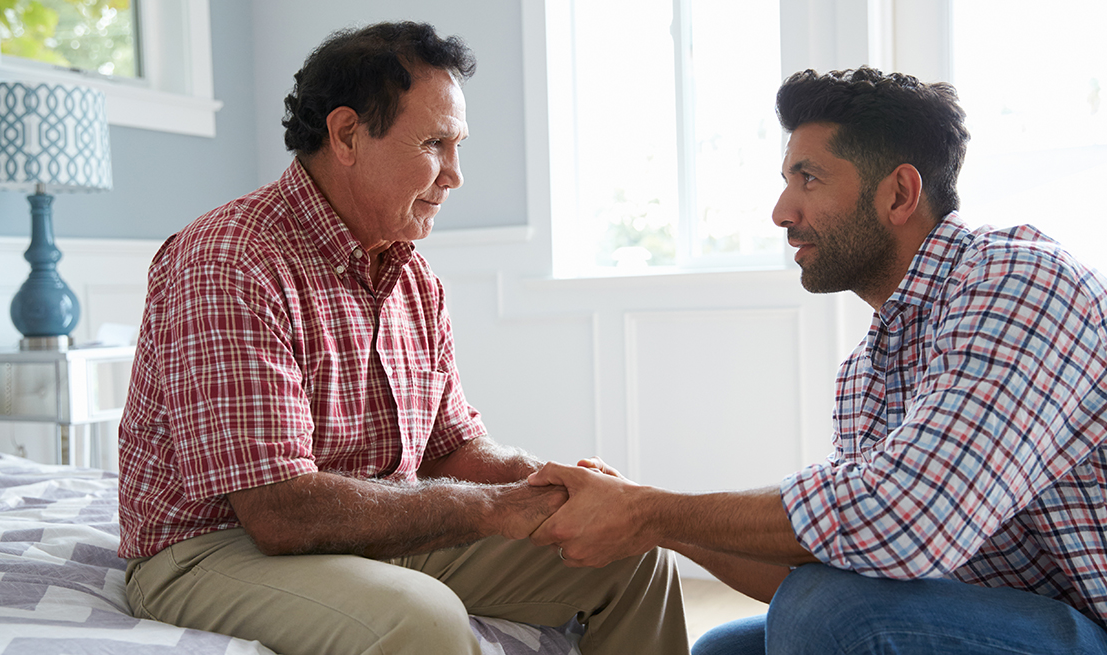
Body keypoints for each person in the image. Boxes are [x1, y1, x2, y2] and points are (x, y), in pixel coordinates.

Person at [117, 21, 688, 655]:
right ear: (346, 135)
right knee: (422, 619)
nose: (455, 175)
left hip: (373, 529)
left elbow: (451, 447)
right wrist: (493, 508)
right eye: (434, 144)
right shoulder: (230, 262)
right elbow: (279, 512)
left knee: (634, 555)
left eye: (458, 146)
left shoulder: (413, 277)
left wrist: (552, 484)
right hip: (213, 549)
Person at [529, 66, 1107, 654]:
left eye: (808, 178)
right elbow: (831, 559)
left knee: (827, 610)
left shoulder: (1022, 284)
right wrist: (649, 519)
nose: (781, 212)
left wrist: (650, 512)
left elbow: (903, 516)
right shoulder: (868, 371)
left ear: (899, 194)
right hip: (1002, 617)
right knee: (728, 648)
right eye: (787, 180)